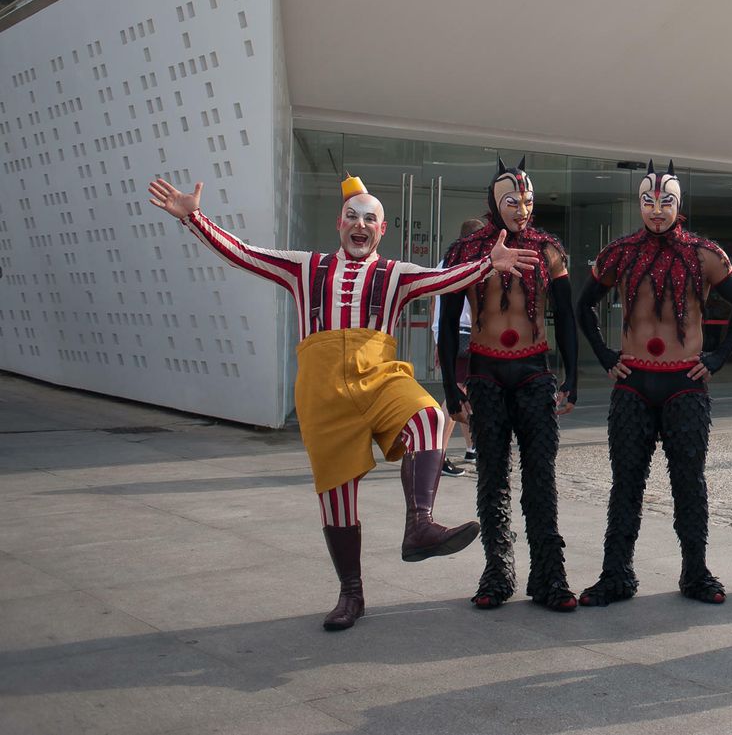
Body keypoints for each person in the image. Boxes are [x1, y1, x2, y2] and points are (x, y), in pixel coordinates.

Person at [146, 174, 543, 631]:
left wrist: (485, 266)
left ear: (382, 230)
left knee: (430, 419)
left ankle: (420, 525)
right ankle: (350, 594)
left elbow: (442, 278)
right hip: (323, 392)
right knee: (336, 498)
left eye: (369, 219)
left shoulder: (396, 274)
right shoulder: (304, 267)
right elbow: (244, 254)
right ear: (339, 224)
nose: (360, 225)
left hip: (380, 378)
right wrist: (193, 217)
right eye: (352, 217)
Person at [576, 160, 732, 606]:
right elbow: (583, 306)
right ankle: (616, 574)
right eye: (649, 202)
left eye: (667, 202)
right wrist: (604, 357)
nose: (657, 210)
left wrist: (714, 358)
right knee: (626, 483)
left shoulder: (704, 254)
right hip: (633, 383)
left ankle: (695, 572)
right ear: (640, 204)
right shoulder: (619, 253)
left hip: (684, 384)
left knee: (689, 482)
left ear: (679, 204)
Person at [438, 159, 580, 612]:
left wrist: (572, 377)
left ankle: (549, 574)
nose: (521, 209)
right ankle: (498, 571)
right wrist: (449, 386)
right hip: (485, 373)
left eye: (527, 201)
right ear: (494, 204)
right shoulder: (466, 251)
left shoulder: (548, 249)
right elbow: (445, 323)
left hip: (533, 372)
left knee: (542, 476)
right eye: (512, 202)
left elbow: (566, 317)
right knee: (493, 477)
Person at [432, 217, 485, 477]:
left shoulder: (444, 262)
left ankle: (472, 447)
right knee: (456, 392)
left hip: (447, 334)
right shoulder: (470, 263)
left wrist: (437, 339)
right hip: (465, 334)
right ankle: (438, 455)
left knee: (466, 391)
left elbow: (436, 306)